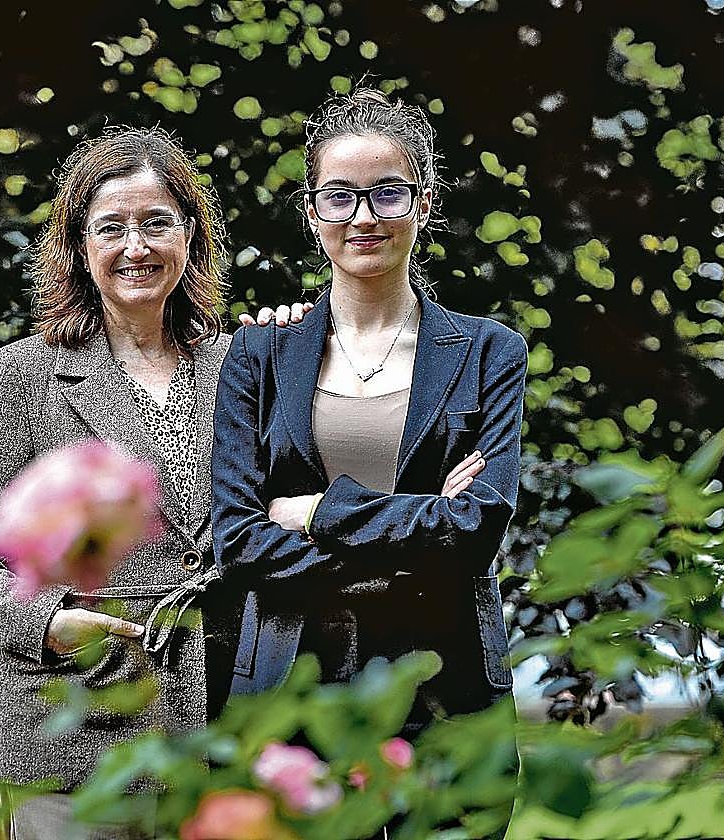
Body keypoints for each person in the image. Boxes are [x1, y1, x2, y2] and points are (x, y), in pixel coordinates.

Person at [0, 126, 308, 840]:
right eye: (112, 228)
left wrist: (311, 346)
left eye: (157, 223)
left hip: (222, 730)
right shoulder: (26, 375)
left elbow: (300, 501)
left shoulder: (249, 364)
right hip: (72, 734)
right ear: (79, 246)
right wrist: (47, 624)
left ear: (190, 235)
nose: (137, 247)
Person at [211, 87, 528, 740]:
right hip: (286, 686)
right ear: (312, 211)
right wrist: (417, 537)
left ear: (424, 201)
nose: (364, 216)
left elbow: (477, 527)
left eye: (388, 192)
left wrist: (317, 512)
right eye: (340, 196)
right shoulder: (261, 354)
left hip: (447, 686)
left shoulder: (489, 352)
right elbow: (239, 540)